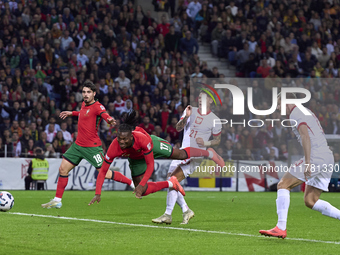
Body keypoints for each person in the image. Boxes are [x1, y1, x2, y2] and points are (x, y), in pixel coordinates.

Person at [88, 110, 225, 204]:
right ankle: (172, 183)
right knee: (142, 192)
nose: (121, 142)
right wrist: (98, 193)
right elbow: (103, 171)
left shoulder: (142, 139)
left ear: (131, 136)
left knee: (181, 154)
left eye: (124, 139)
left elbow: (151, 165)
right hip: (136, 158)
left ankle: (209, 153)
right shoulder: (114, 147)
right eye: (119, 139)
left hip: (152, 146)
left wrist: (141, 184)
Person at [42, 81, 134, 209]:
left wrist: (109, 119)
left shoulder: (98, 106)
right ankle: (57, 200)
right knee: (63, 169)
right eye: (84, 92)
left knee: (105, 173)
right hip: (78, 146)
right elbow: (84, 114)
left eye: (88, 92)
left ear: (94, 94)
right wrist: (72, 113)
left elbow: (104, 114)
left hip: (92, 147)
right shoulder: (83, 104)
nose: (85, 94)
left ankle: (131, 182)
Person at [259, 93, 337, 239]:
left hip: (316, 156)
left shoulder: (296, 112)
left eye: (279, 103)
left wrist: (308, 162)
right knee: (310, 201)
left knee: (283, 184)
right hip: (327, 156)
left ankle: (280, 227)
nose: (277, 107)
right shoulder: (306, 111)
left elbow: (305, 136)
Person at [152, 90, 222, 225]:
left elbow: (217, 140)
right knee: (171, 180)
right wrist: (186, 117)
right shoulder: (190, 110)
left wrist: (206, 143)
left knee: (173, 180)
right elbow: (178, 128)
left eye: (204, 98)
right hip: (182, 152)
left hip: (195, 154)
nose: (200, 100)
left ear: (211, 101)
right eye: (199, 97)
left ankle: (168, 214)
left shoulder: (215, 120)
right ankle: (186, 210)